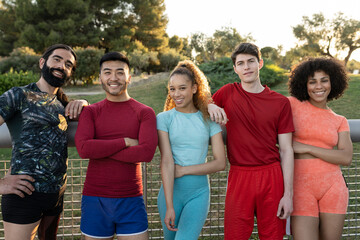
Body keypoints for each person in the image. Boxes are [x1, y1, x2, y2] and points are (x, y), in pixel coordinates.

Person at [0, 43, 88, 240]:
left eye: (68, 64)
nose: (61, 66)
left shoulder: (62, 104)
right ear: (42, 63)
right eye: (56, 59)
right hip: (24, 196)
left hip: (55, 198)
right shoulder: (19, 95)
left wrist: (84, 103)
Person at [208, 42, 294, 240]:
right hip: (239, 175)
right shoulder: (228, 92)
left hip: (271, 175)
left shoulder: (280, 102)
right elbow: (201, 100)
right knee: (235, 235)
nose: (246, 67)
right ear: (235, 68)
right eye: (241, 63)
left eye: (251, 61)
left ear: (260, 63)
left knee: (272, 235)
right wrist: (209, 105)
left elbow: (287, 150)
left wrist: (287, 195)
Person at [75, 51, 158, 240]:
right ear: (100, 77)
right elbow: (84, 150)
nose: (114, 78)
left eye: (120, 72)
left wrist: (100, 150)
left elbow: (145, 153)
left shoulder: (144, 112)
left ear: (129, 77)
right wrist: (125, 142)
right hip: (95, 199)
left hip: (131, 199)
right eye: (107, 72)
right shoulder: (91, 112)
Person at [156, 60, 226, 240]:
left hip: (199, 193)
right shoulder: (164, 119)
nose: (176, 94)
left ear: (194, 88)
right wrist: (170, 205)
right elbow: (166, 160)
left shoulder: (209, 120)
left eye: (182, 88)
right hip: (169, 194)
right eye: (172, 89)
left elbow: (220, 163)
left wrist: (184, 171)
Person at [287, 57, 353, 240]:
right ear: (304, 84)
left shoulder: (340, 120)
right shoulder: (292, 105)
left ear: (333, 82)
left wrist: (304, 148)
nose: (319, 86)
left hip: (333, 187)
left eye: (324, 80)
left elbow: (346, 157)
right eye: (312, 81)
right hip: (300, 186)